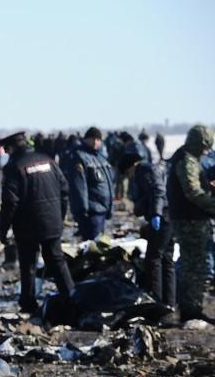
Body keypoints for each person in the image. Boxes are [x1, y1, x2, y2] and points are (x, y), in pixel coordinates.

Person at [0, 131, 72, 316]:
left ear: (11, 148)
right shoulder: (48, 160)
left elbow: (10, 202)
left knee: (28, 263)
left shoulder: (14, 167)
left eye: (7, 150)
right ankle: (71, 297)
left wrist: (3, 229)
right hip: (52, 222)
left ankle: (28, 302)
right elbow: (64, 189)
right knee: (57, 260)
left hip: (28, 225)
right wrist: (60, 217)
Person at [119, 144, 174, 319]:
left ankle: (157, 303)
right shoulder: (148, 168)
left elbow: (158, 191)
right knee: (166, 259)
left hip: (162, 218)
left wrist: (156, 213)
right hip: (169, 216)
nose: (129, 177)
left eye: (128, 173)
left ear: (131, 166)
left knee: (154, 259)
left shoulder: (145, 170)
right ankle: (169, 302)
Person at [167, 125, 215, 322]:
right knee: (197, 266)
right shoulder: (187, 161)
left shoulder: (187, 158)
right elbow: (193, 192)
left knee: (190, 264)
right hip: (191, 221)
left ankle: (189, 307)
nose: (206, 152)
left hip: (189, 219)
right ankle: (192, 309)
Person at [67, 127, 114, 240]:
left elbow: (108, 183)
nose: (95, 142)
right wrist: (83, 210)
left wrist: (110, 208)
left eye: (98, 139)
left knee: (100, 245)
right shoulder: (79, 157)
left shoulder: (101, 158)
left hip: (103, 209)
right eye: (92, 139)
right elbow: (79, 186)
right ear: (85, 139)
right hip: (91, 211)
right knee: (92, 244)